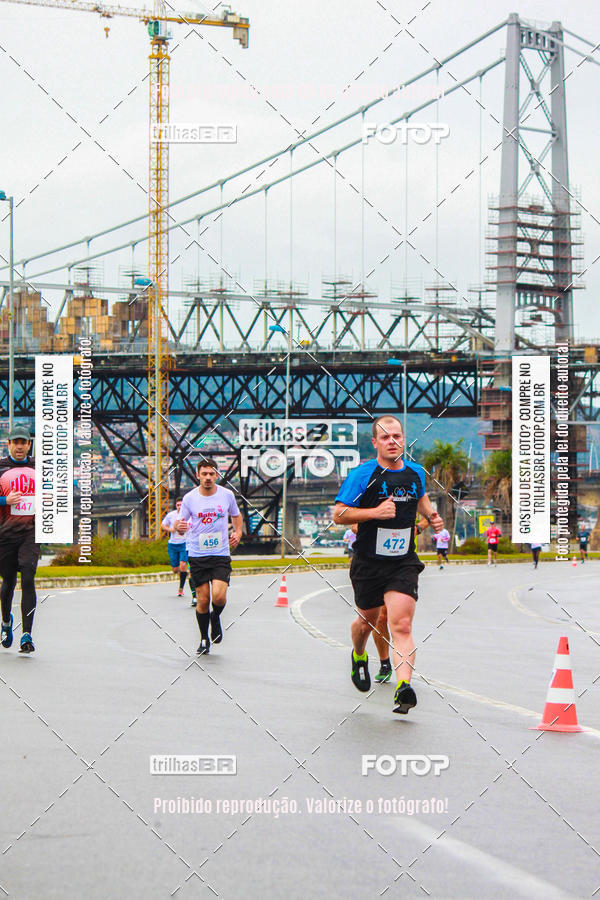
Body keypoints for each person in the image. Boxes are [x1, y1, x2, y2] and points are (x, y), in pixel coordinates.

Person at [333, 415, 444, 716]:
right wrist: (374, 513)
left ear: (403, 439)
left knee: (401, 624)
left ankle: (403, 687)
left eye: (397, 436)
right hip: (368, 562)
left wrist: (432, 517)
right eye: (385, 437)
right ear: (375, 442)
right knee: (366, 622)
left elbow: (422, 499)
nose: (392, 442)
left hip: (402, 562)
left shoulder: (415, 472)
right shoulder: (362, 475)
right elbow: (339, 514)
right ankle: (359, 655)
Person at [177, 459, 243, 655]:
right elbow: (180, 524)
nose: (208, 477)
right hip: (198, 554)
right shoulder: (190, 498)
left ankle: (216, 618)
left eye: (211, 474)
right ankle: (204, 638)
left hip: (220, 553)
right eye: (204, 474)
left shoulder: (227, 495)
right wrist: (179, 527)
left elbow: (236, 515)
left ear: (217, 475)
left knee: (219, 596)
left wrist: (238, 532)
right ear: (197, 475)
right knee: (203, 600)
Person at [0, 426, 39, 654]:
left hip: (31, 534)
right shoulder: (1, 467)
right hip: (5, 535)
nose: (20, 446)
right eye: (16, 442)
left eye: (23, 442)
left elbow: (58, 492)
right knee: (8, 583)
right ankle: (6, 622)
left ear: (29, 445)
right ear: (9, 444)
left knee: (28, 579)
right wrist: (5, 501)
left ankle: (27, 634)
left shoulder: (39, 467)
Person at [161, 498, 195, 600]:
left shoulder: (189, 515)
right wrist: (170, 529)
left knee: (183, 565)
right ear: (176, 506)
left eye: (181, 505)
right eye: (178, 505)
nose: (180, 507)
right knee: (175, 569)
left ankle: (181, 588)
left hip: (184, 544)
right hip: (173, 544)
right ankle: (182, 574)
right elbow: (163, 525)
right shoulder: (171, 515)